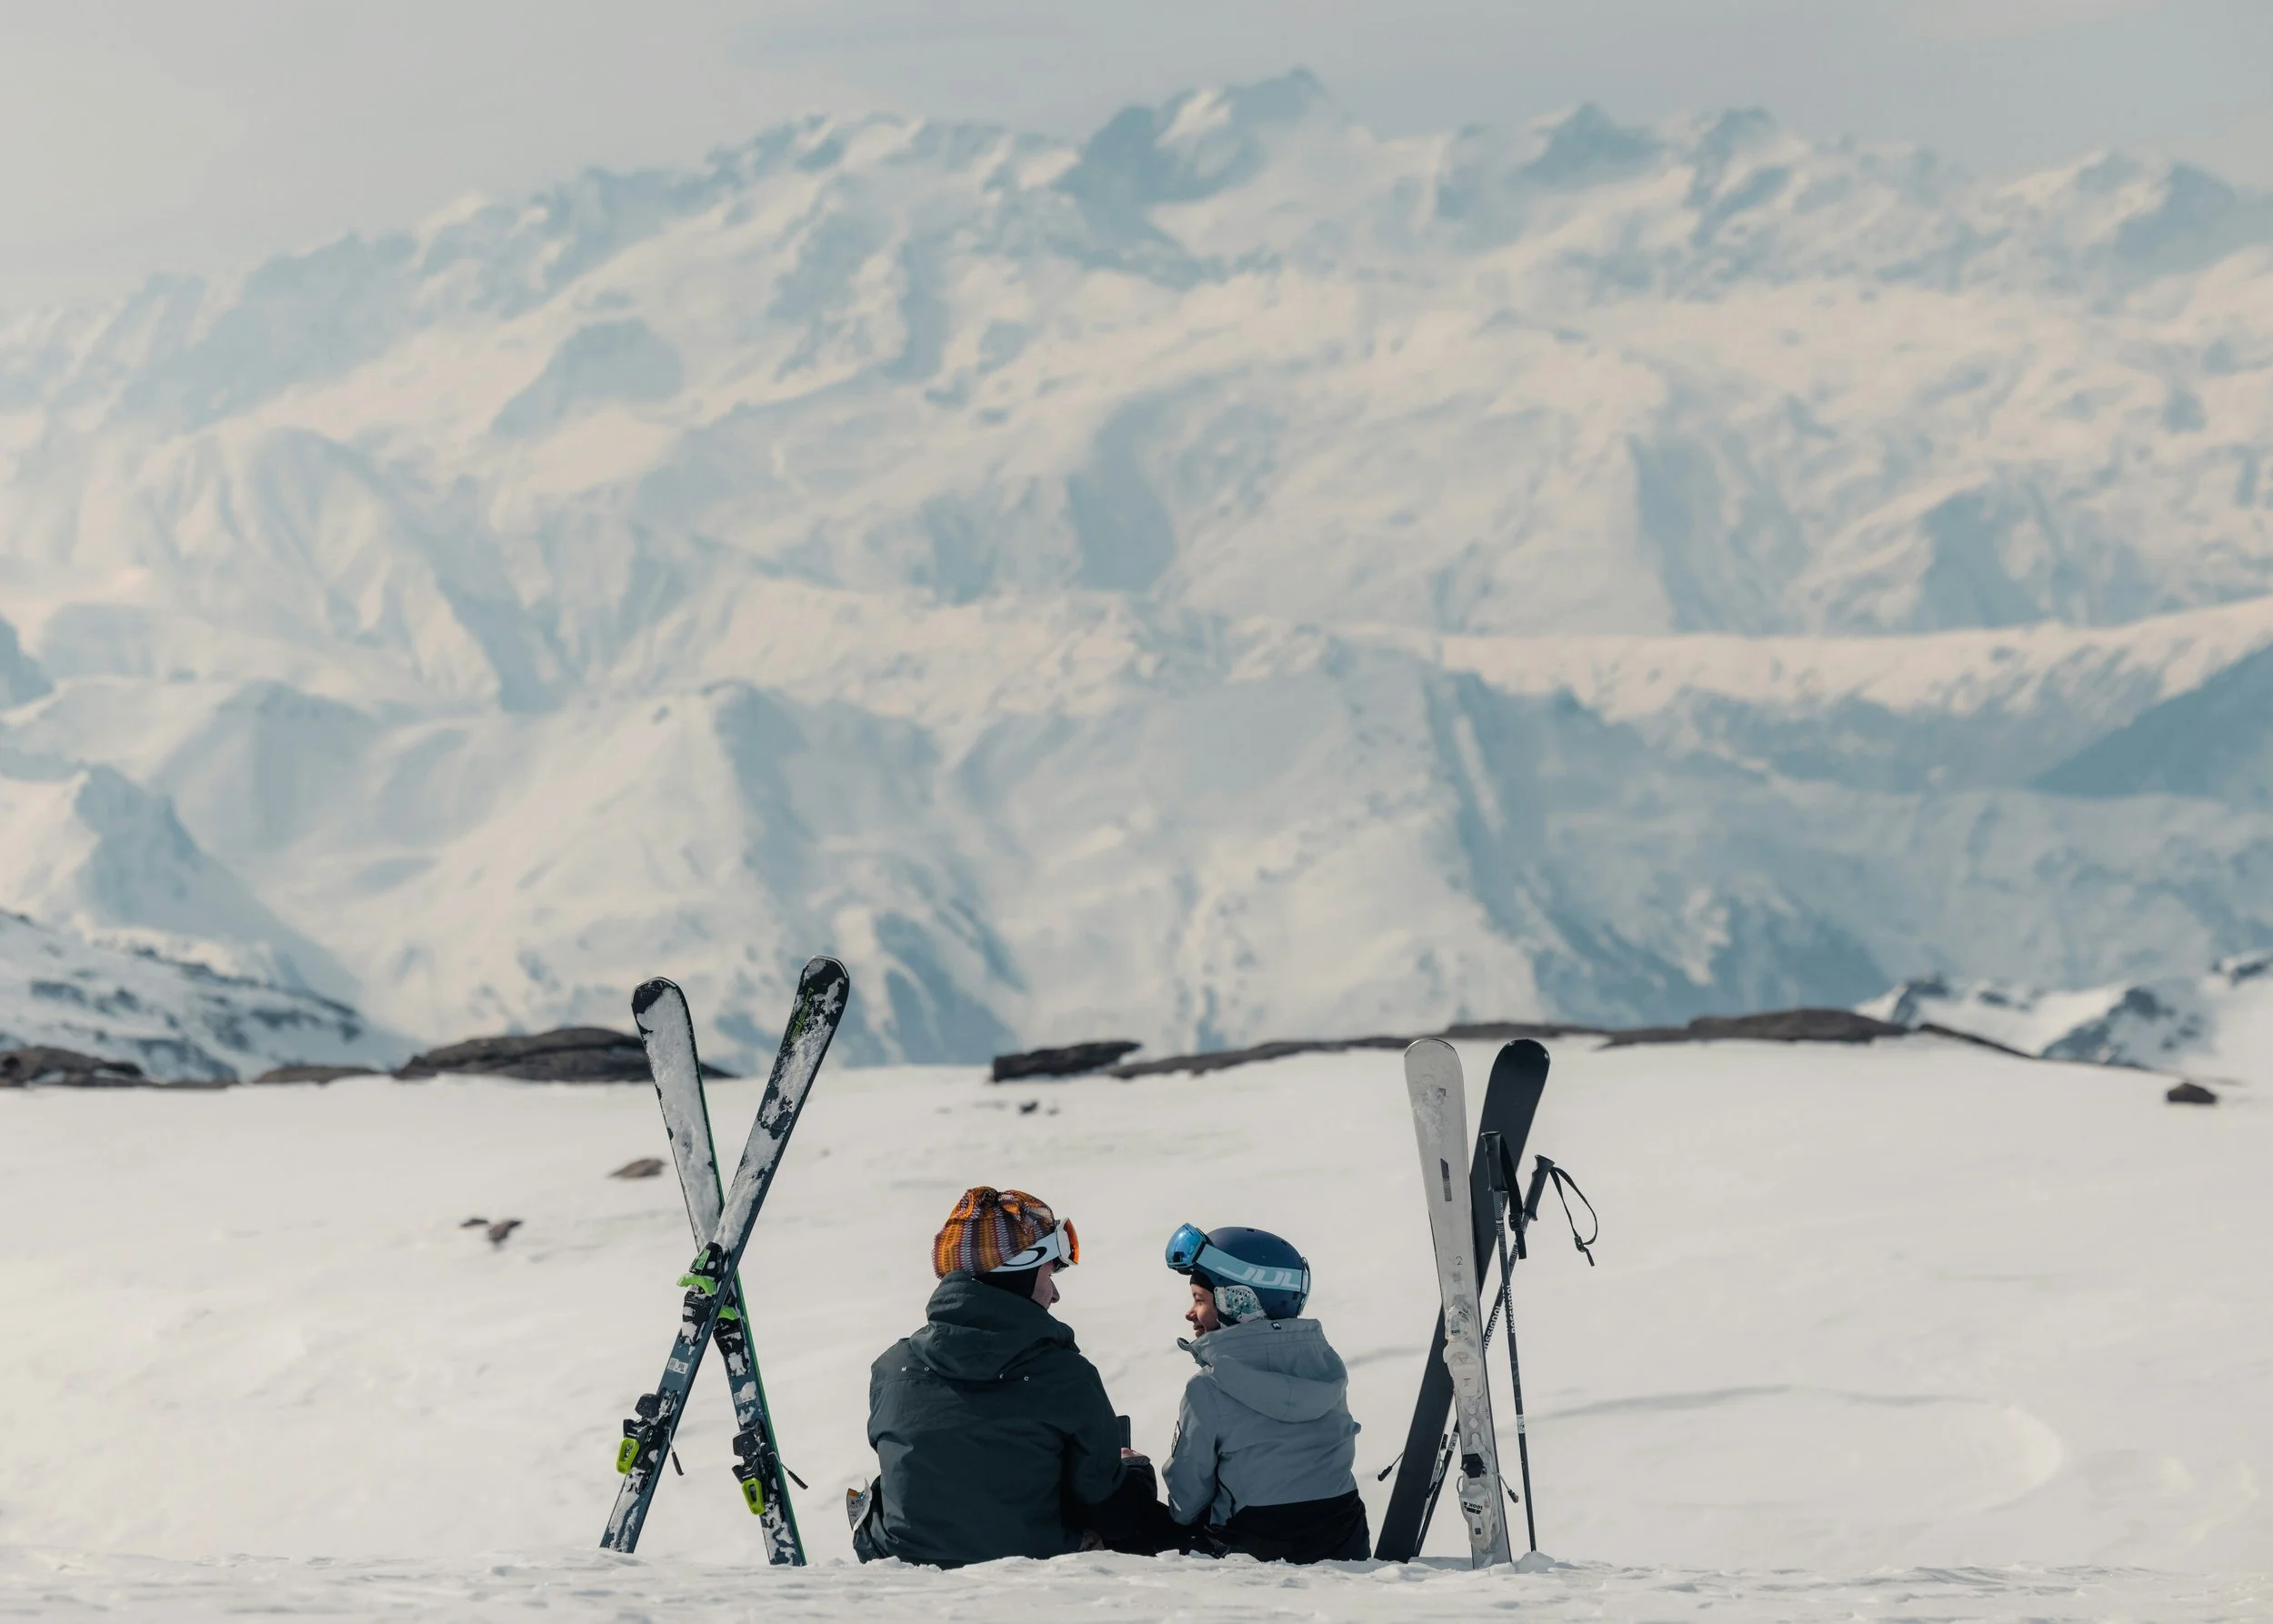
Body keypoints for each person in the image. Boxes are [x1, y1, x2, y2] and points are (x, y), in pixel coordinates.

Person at [855, 1186, 1162, 1566]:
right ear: (1020, 1274)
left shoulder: (892, 1368)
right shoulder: (1066, 1376)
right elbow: (1111, 1511)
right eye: (1049, 1273)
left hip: (905, 1574)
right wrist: (1135, 1472)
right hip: (1031, 1578)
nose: (1055, 1295)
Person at [1160, 1224, 1370, 1563]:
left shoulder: (1207, 1388)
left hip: (1254, 1555)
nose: (1190, 1313)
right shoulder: (1328, 1370)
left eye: (1199, 1300)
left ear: (1238, 1302)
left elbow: (1187, 1502)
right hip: (1345, 1544)